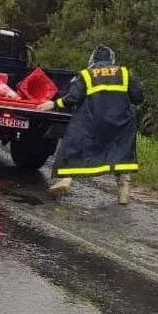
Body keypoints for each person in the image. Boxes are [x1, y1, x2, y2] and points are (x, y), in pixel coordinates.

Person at [38, 45, 144, 204]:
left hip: (92, 121)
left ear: (93, 59)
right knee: (121, 151)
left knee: (73, 144)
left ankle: (66, 180)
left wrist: (54, 104)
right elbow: (138, 97)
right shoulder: (124, 73)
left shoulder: (86, 74)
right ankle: (124, 189)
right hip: (121, 122)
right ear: (112, 59)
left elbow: (73, 98)